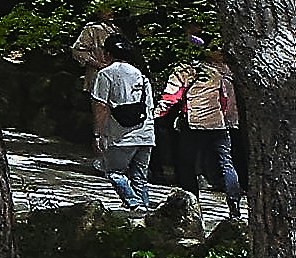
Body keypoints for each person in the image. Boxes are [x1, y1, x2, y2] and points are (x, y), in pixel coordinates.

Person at [85, 22, 160, 213]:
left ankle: (133, 203)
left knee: (113, 172)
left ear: (108, 53)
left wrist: (98, 134)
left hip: (122, 135)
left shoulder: (106, 74)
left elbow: (101, 107)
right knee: (140, 177)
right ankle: (143, 212)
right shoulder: (142, 76)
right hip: (146, 134)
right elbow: (149, 107)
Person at [167, 46, 243, 208]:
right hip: (218, 124)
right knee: (226, 163)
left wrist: (157, 113)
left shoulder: (188, 71)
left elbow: (173, 96)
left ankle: (192, 203)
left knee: (187, 164)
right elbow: (224, 100)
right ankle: (234, 201)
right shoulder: (221, 74)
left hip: (194, 124)